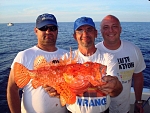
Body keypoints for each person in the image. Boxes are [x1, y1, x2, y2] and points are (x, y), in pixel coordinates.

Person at [7, 13, 68, 113]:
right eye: (43, 28)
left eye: (52, 28)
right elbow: (12, 89)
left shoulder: (67, 55)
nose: (48, 31)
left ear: (57, 30)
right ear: (36, 31)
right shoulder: (24, 55)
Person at [65, 16, 123, 113]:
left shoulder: (108, 58)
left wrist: (115, 86)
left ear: (96, 33)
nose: (85, 34)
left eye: (89, 29)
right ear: (74, 36)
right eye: (80, 30)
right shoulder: (67, 59)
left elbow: (116, 91)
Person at [96, 15, 146, 113]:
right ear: (101, 31)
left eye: (114, 26)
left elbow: (138, 77)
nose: (111, 30)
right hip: (100, 108)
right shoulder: (95, 52)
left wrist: (139, 101)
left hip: (123, 108)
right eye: (106, 27)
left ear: (120, 29)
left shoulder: (134, 50)